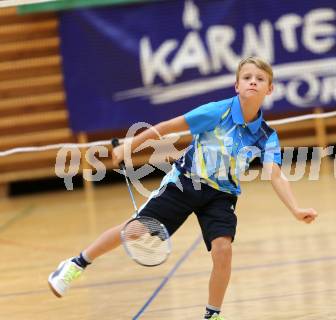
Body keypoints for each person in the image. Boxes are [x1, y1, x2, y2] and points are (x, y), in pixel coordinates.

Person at [48, 56, 318, 320]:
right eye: (246, 78)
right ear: (237, 85)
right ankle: (75, 264)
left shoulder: (266, 135)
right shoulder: (217, 111)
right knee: (135, 230)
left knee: (223, 250)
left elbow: (276, 175)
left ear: (270, 89)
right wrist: (131, 145)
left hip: (222, 195)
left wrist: (295, 209)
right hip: (185, 181)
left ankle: (212, 315)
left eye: (260, 79)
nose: (252, 82)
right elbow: (168, 127)